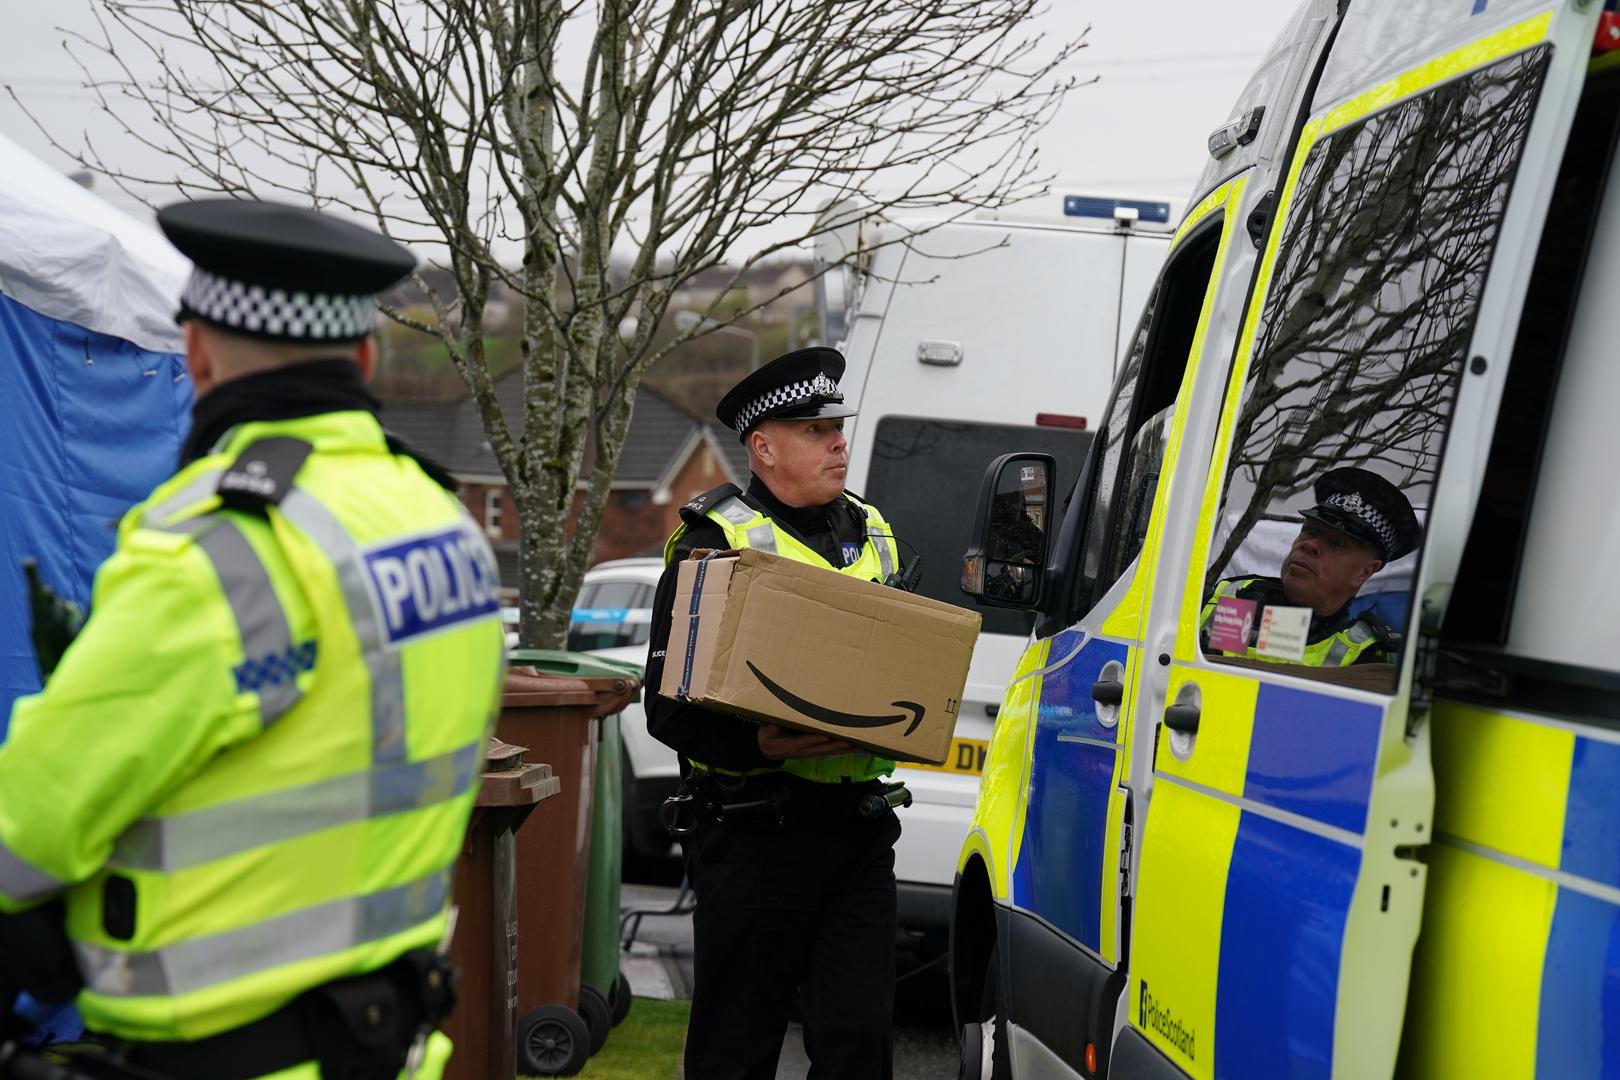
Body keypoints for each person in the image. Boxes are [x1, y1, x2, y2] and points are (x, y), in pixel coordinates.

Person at [0, 200, 506, 1079]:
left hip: (227, 1055)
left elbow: (25, 829)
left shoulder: (216, 551)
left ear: (195, 354)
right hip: (391, 1046)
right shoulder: (438, 519)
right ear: (362, 357)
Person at [644, 347, 906, 1080]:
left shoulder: (875, 528)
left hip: (857, 836)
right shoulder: (711, 544)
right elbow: (667, 710)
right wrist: (759, 743)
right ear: (763, 447)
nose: (838, 442)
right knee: (736, 1051)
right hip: (755, 835)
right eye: (816, 431)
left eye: (838, 427)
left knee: (859, 1049)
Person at [1200, 467, 1422, 667]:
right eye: (1311, 531)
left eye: (1337, 543)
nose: (1311, 545)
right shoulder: (1232, 598)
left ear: (1364, 572)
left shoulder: (1371, 656)